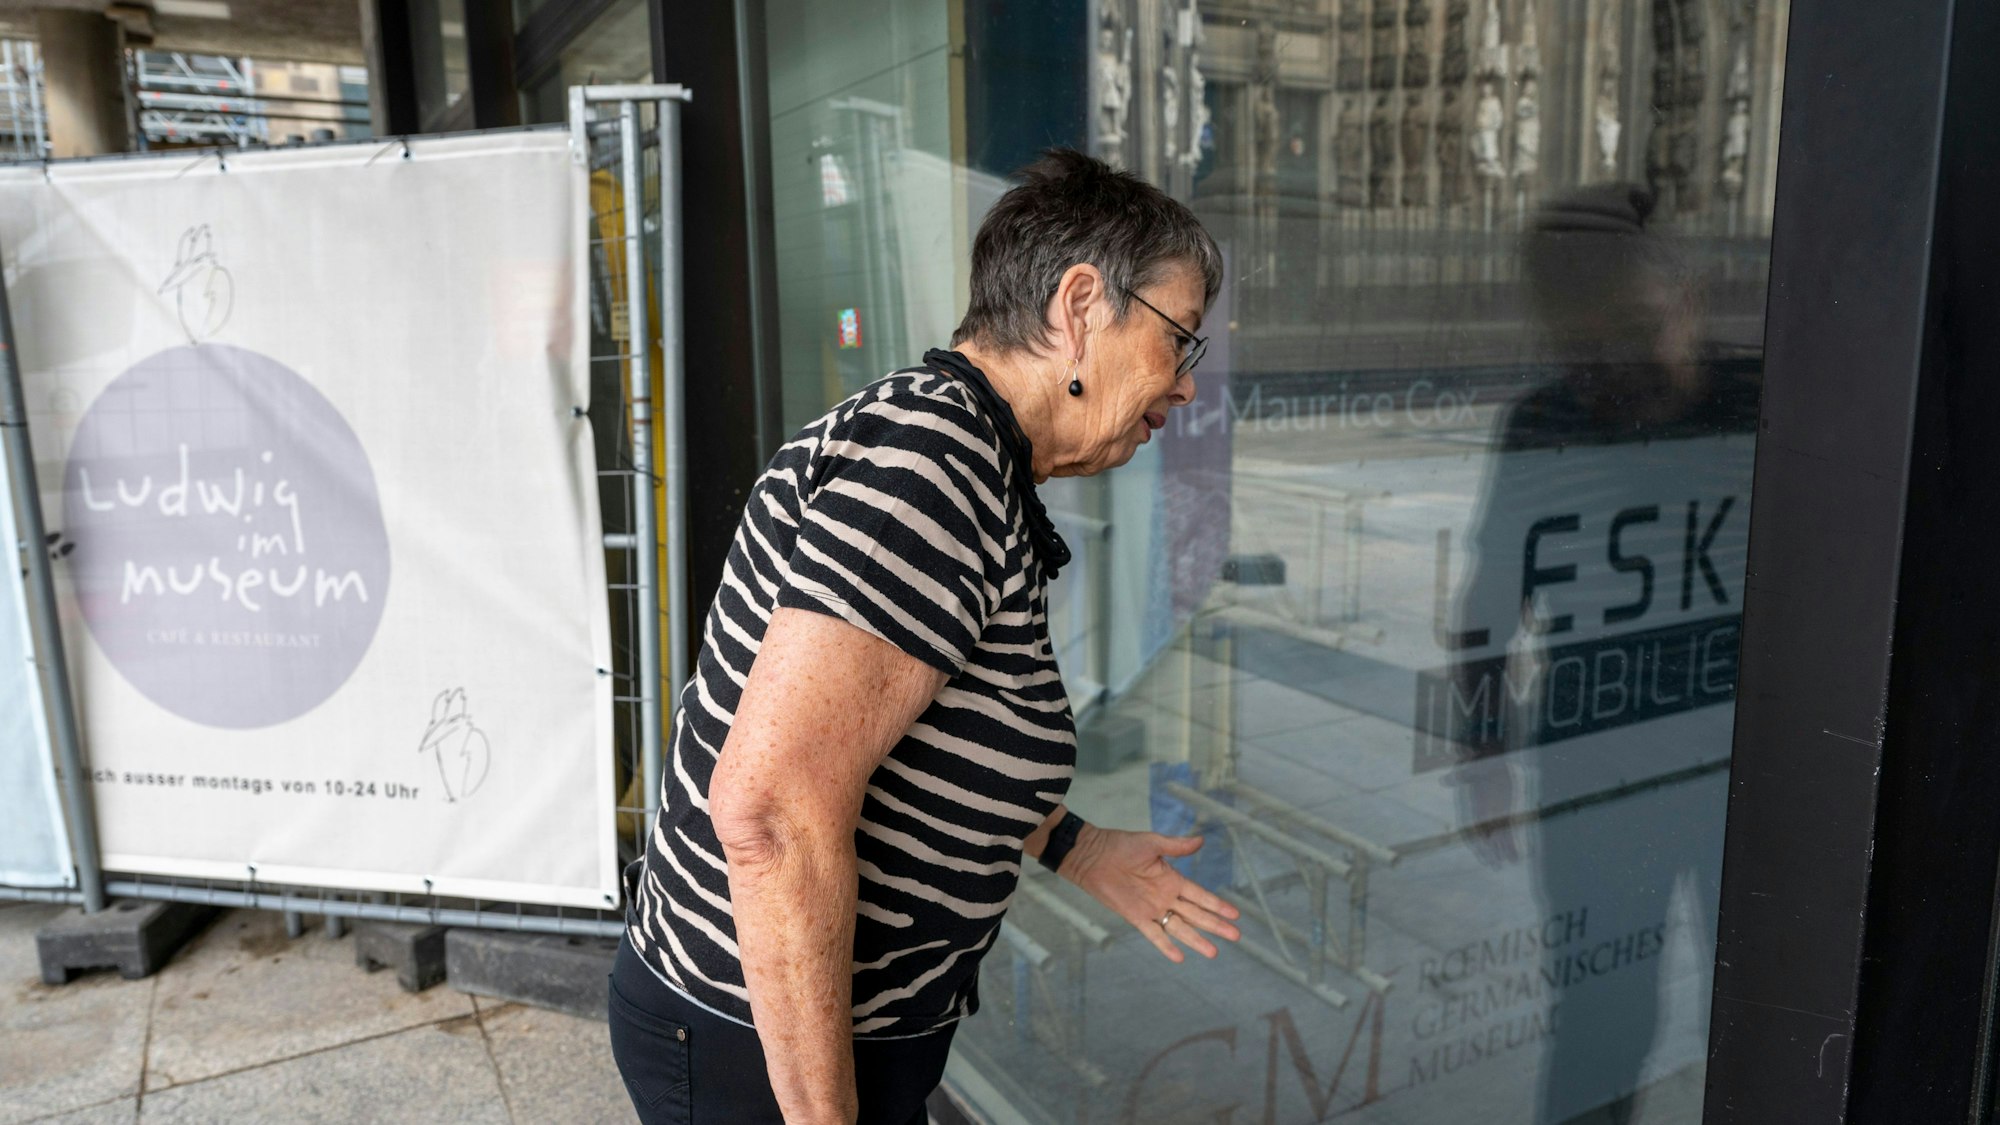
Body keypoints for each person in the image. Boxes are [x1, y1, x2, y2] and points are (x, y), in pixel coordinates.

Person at [609, 148, 1241, 1125]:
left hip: (816, 1037)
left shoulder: (962, 457)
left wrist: (1073, 846)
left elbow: (925, 740)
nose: (1185, 386)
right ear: (1079, 308)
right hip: (758, 1052)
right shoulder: (929, 465)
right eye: (1179, 340)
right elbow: (771, 812)